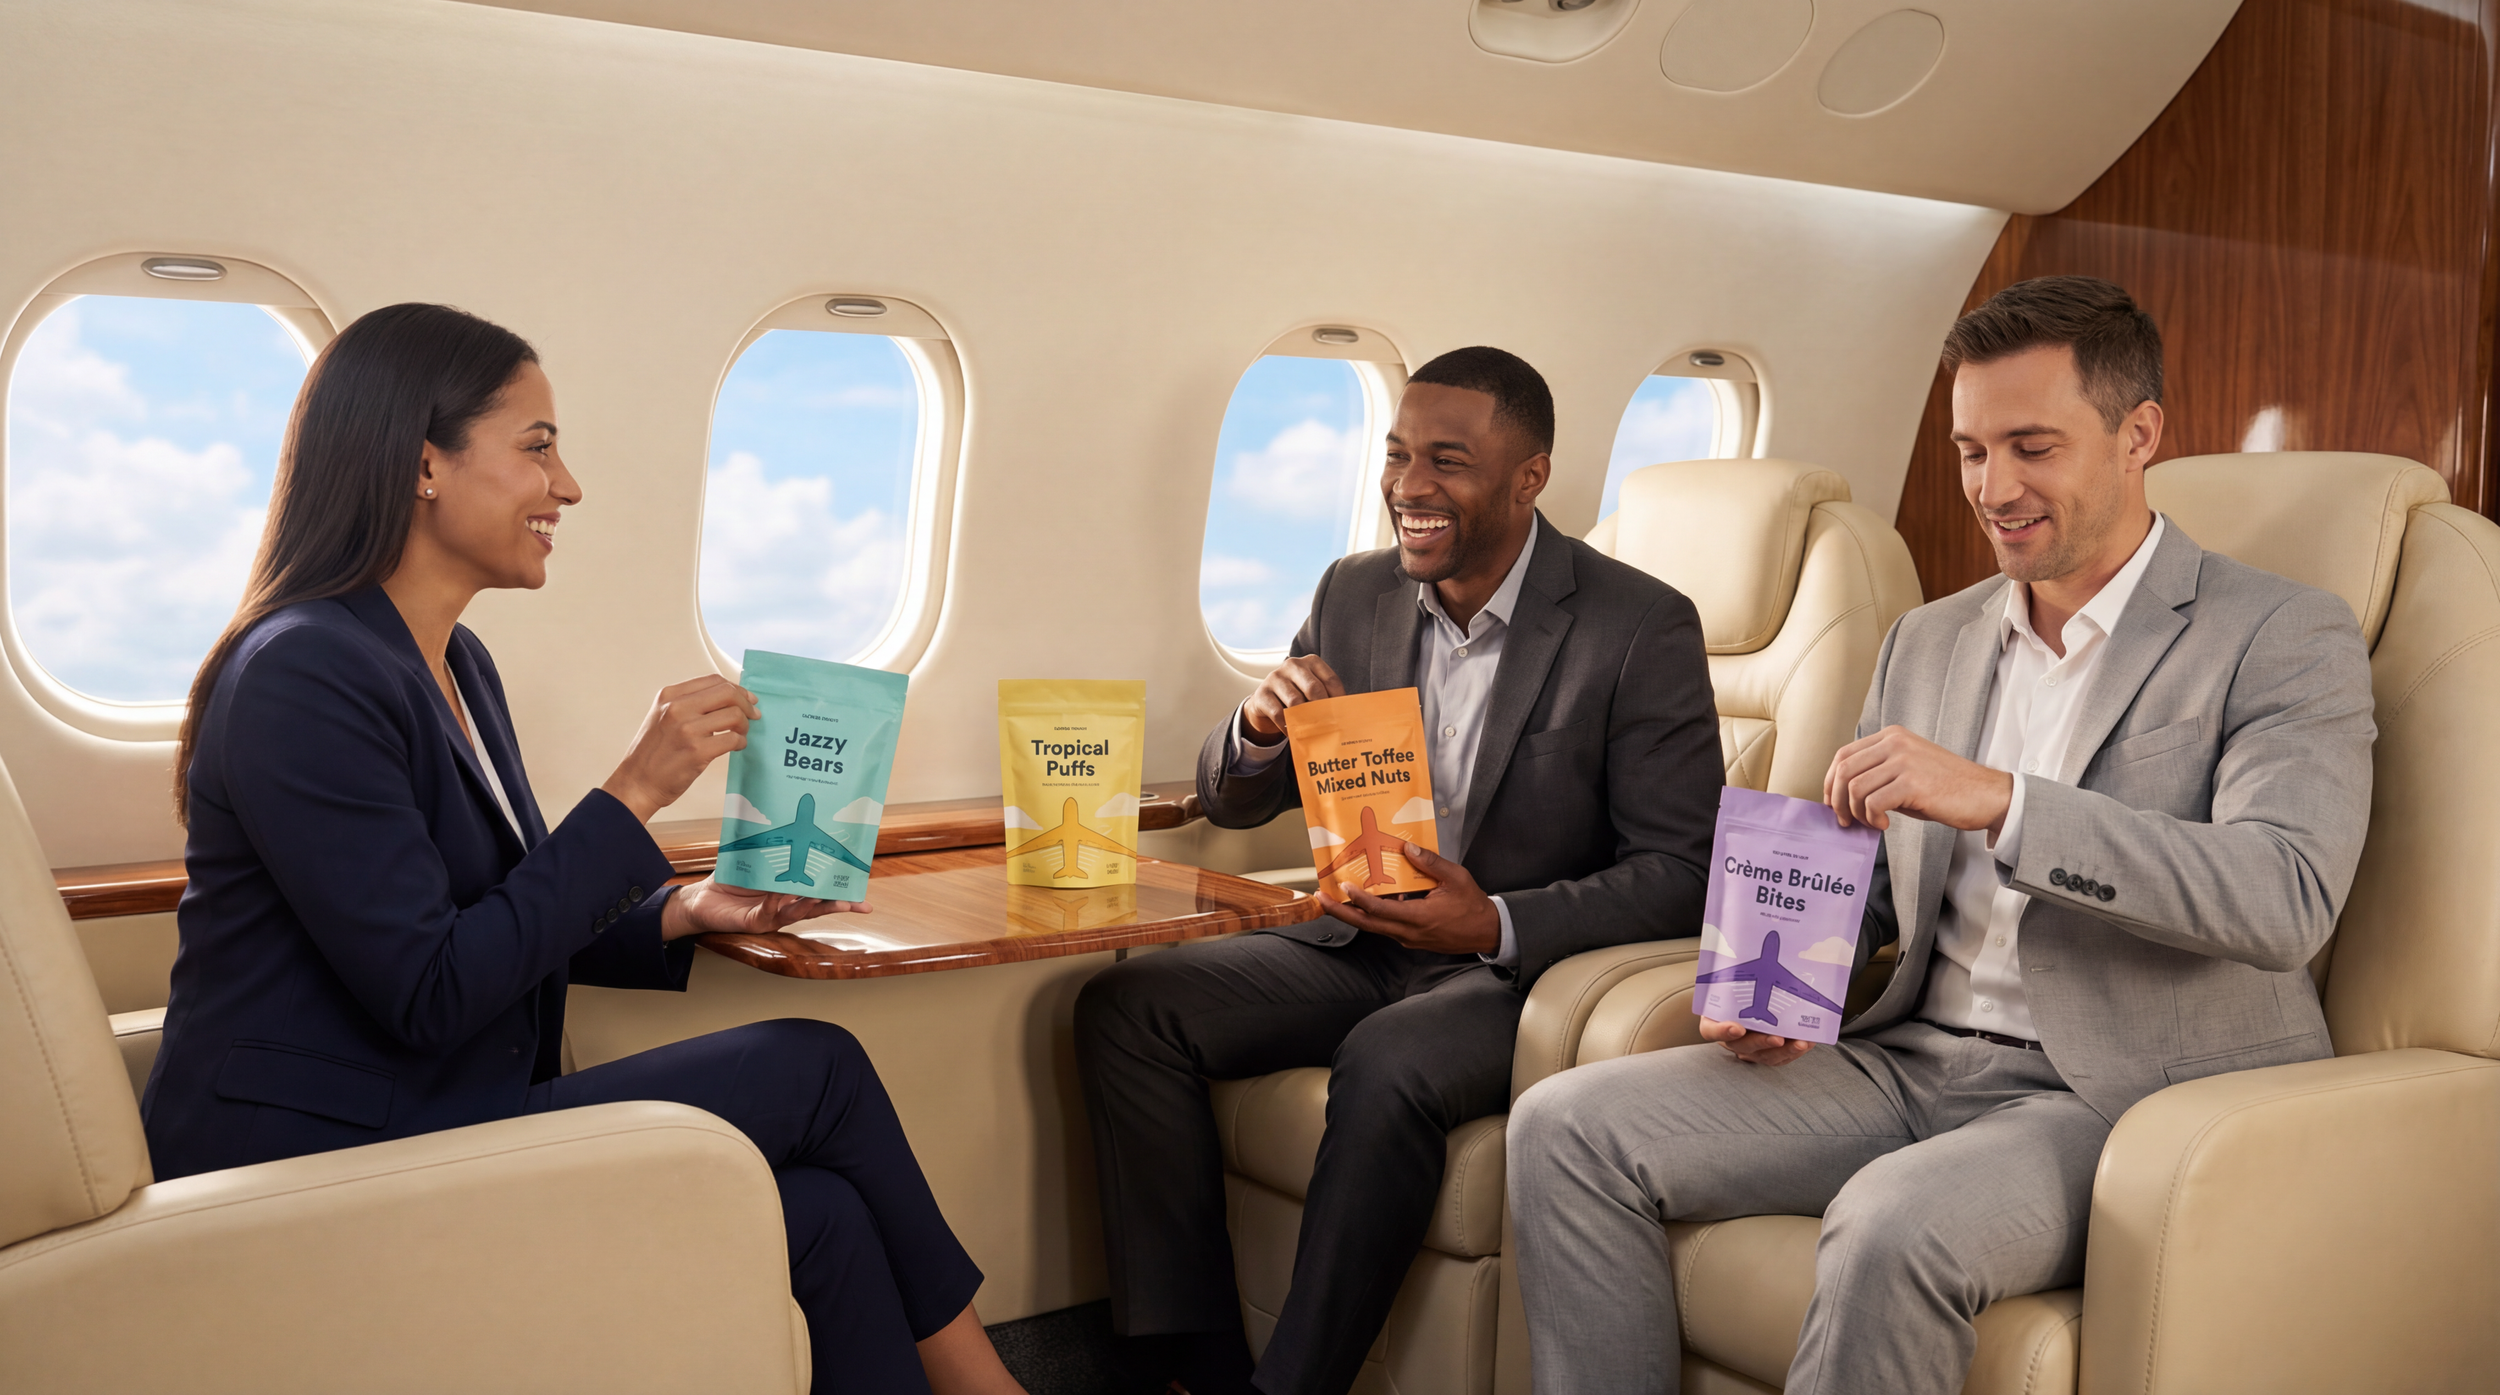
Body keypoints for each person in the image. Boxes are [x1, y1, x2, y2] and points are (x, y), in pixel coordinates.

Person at [1505, 276, 2378, 1394]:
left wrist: (2007, 801)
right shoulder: (1926, 638)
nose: (1993, 489)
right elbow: (1868, 876)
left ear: (2138, 436)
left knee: (1888, 1224)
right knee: (1562, 1126)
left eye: (2031, 447)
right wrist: (1780, 983)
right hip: (1910, 1054)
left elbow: (2285, 893)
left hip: (2118, 1097)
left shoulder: (2279, 632)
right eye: (1971, 451)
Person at [140, 303, 1026, 1395]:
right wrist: (635, 790)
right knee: (816, 1067)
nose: (567, 487)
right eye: (537, 447)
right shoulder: (302, 673)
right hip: (317, 1159)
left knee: (824, 1214)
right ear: (424, 464)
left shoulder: (456, 663)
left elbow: (492, 914)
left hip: (425, 1115)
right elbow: (428, 988)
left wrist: (685, 911)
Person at [1076, 346, 1724, 1395]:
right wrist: (1254, 728)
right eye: (1396, 454)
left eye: (1447, 461)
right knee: (1128, 1006)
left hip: (1515, 974)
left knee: (1386, 1060)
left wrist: (1493, 921)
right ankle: (1190, 1364)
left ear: (1529, 477)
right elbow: (1232, 801)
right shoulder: (1353, 591)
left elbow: (1684, 871)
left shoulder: (1637, 624)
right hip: (1360, 939)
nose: (1408, 486)